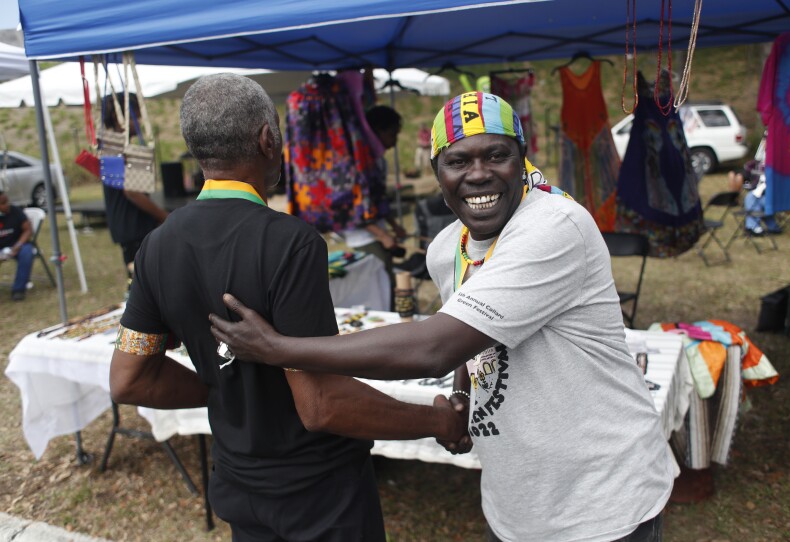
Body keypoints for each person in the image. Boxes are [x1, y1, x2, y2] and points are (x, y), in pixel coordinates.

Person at [210, 91, 674, 541]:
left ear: (522, 159)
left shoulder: (554, 227)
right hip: (520, 496)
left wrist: (279, 349)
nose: (479, 174)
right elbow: (465, 333)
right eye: (458, 161)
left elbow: (436, 346)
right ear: (437, 172)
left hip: (601, 496)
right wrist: (460, 396)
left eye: (497, 156)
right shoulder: (446, 247)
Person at [109, 74, 465, 541]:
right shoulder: (288, 242)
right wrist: (437, 420)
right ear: (267, 139)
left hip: (239, 483)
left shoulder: (156, 247)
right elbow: (320, 406)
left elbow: (128, 378)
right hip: (317, 494)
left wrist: (220, 388)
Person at [340, 105, 407, 304]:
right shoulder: (355, 162)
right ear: (377, 131)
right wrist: (383, 235)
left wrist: (393, 225)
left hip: (377, 234)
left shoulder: (378, 161)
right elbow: (353, 207)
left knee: (388, 283)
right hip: (362, 238)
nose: (394, 142)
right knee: (382, 288)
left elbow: (379, 199)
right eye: (392, 134)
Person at [101, 93, 168, 282]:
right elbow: (132, 192)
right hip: (132, 228)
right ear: (118, 117)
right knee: (142, 280)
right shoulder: (113, 150)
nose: (138, 122)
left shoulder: (118, 147)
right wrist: (163, 216)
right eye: (134, 117)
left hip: (137, 226)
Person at [0, 191, 34, 301]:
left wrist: (18, 245)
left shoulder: (15, 211)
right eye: (3, 203)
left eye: (7, 201)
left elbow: (28, 230)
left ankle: (18, 290)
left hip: (17, 245)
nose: (7, 205)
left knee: (27, 252)